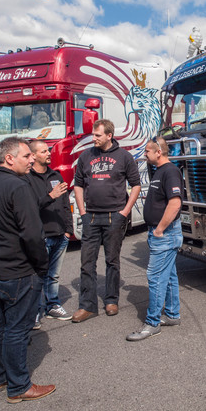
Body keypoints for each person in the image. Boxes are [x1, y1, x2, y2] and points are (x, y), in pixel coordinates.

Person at [0, 136, 55, 403]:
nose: (31, 159)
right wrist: (42, 265)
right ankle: (19, 386)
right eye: (26, 156)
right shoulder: (18, 187)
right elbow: (32, 234)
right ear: (9, 158)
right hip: (18, 271)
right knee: (17, 330)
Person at [72, 119, 141, 323]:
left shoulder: (124, 157)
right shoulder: (86, 156)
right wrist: (83, 212)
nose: (93, 138)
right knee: (87, 263)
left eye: (97, 135)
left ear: (109, 136)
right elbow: (78, 185)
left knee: (112, 261)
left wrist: (125, 212)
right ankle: (88, 306)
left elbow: (135, 185)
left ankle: (112, 300)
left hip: (114, 216)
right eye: (93, 135)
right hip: (91, 216)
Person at [127, 137, 183, 341]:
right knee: (168, 276)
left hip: (165, 235)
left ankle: (152, 323)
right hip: (161, 234)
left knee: (155, 276)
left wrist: (159, 230)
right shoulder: (159, 171)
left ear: (158, 152)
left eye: (148, 151)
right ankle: (172, 315)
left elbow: (175, 203)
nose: (145, 154)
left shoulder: (170, 171)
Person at [26, 141, 73, 329]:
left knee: (53, 275)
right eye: (44, 151)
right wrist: (49, 196)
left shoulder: (56, 175)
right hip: (41, 236)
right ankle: (35, 311)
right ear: (33, 155)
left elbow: (64, 204)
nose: (48, 153)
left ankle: (52, 305)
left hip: (61, 234)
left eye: (49, 150)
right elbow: (28, 208)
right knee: (37, 275)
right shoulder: (26, 179)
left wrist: (68, 230)